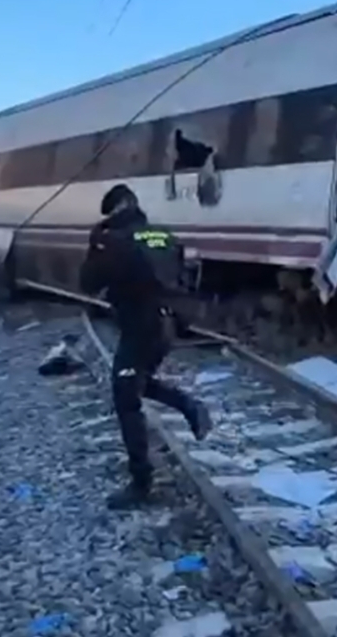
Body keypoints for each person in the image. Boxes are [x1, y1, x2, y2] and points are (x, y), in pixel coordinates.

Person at [80, 184, 213, 510]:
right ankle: (189, 405)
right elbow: (180, 276)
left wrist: (95, 244)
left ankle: (141, 483)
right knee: (135, 382)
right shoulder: (163, 235)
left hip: (141, 328)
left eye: (110, 212)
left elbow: (88, 283)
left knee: (126, 399)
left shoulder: (114, 242)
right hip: (166, 327)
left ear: (118, 208)